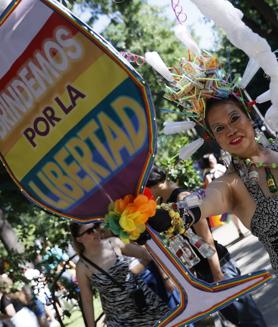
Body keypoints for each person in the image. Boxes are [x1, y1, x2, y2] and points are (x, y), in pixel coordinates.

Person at [147, 166, 267, 326]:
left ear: (156, 185)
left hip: (217, 266)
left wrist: (217, 273)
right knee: (234, 317)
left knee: (247, 317)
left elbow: (206, 237)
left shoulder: (183, 198)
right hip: (202, 269)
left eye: (147, 189)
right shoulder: (162, 203)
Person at [70, 222, 169, 327]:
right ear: (79, 239)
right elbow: (87, 300)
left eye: (95, 227)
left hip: (147, 306)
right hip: (120, 320)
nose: (95, 232)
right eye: (89, 231)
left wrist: (165, 277)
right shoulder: (82, 266)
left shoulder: (113, 243)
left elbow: (148, 254)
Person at [202, 153, 245, 238]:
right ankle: (239, 230)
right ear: (208, 162)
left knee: (241, 208)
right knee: (234, 213)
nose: (213, 160)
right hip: (224, 196)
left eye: (213, 158)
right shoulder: (208, 175)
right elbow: (211, 188)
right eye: (211, 160)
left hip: (233, 190)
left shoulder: (221, 166)